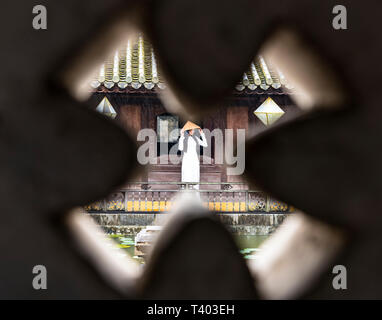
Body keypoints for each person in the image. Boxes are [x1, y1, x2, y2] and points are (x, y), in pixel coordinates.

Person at [178, 125, 208, 190]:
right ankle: (185, 191)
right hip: (187, 159)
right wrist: (182, 135)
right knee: (186, 174)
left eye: (194, 130)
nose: (194, 131)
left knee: (195, 174)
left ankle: (195, 191)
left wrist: (202, 134)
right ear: (188, 131)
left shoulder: (195, 138)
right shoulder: (183, 138)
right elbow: (180, 148)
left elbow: (205, 144)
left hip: (194, 158)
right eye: (192, 130)